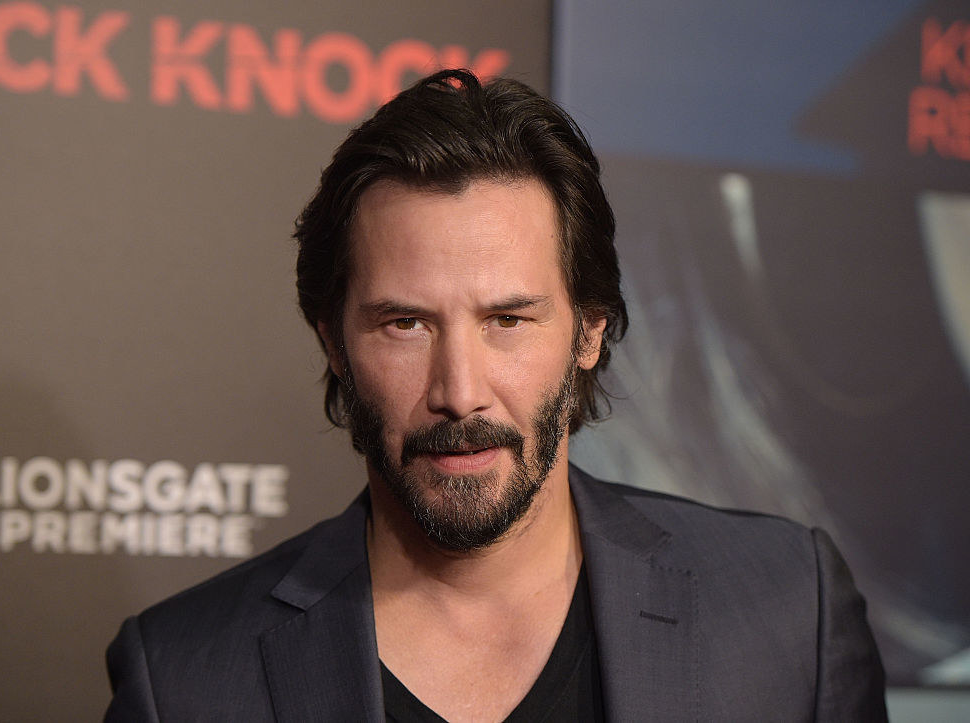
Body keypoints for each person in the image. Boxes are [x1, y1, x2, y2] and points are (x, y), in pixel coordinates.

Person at [104, 69, 887, 721]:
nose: (460, 391)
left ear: (588, 332)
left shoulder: (788, 613)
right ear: (334, 346)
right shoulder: (184, 679)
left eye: (508, 319)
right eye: (405, 323)